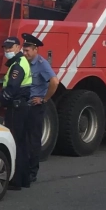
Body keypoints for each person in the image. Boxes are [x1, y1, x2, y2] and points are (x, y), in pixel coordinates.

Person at [22, 33, 60, 184]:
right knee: (23, 139)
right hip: (24, 106)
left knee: (33, 140)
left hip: (35, 107)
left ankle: (32, 172)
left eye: (27, 51)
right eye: (24, 50)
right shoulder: (24, 62)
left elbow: (54, 82)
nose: (25, 53)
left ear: (35, 50)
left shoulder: (42, 64)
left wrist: (44, 99)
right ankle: (23, 170)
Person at [0, 36, 33, 190]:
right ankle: (24, 178)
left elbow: (12, 89)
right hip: (23, 107)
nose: (7, 51)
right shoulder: (21, 62)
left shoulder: (17, 65)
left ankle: (16, 180)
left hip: (16, 108)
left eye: (10, 48)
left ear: (18, 47)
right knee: (22, 143)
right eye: (5, 48)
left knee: (15, 143)